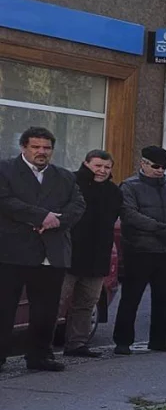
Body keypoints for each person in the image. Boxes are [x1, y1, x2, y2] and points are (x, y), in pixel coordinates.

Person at [0, 128, 85, 372]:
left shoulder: (65, 176)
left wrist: (57, 221)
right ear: (23, 147)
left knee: (46, 310)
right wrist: (42, 216)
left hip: (52, 251)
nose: (41, 152)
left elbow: (78, 205)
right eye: (36, 147)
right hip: (11, 252)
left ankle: (40, 356)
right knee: (4, 307)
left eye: (46, 148)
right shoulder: (5, 170)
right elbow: (5, 202)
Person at [114, 145, 166, 354]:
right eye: (156, 166)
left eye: (164, 167)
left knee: (164, 298)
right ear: (143, 164)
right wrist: (161, 228)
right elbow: (130, 214)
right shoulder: (130, 186)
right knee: (131, 297)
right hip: (140, 250)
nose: (160, 170)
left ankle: (160, 340)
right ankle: (122, 342)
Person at [62, 150, 123, 357]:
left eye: (107, 167)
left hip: (97, 259)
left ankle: (77, 345)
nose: (102, 171)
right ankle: (40, 349)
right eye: (97, 166)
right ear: (85, 163)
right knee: (54, 304)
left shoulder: (114, 192)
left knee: (86, 304)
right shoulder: (69, 183)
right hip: (67, 257)